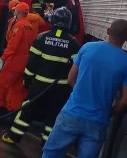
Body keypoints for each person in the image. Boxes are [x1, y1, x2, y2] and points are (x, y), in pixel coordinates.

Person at [42, 19, 127, 158]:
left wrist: (81, 93)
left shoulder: (88, 47)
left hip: (72, 113)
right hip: (98, 121)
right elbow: (124, 101)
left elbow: (71, 79)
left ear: (108, 31)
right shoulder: (125, 61)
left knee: (52, 153)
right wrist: (108, 112)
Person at [2, 7, 80, 148]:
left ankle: (13, 137)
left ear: (53, 20)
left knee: (27, 110)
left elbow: (33, 61)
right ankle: (47, 144)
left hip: (39, 85)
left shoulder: (42, 37)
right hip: (60, 89)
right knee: (53, 116)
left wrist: (27, 78)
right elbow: (76, 67)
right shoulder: (74, 43)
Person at [0, 2, 34, 112]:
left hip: (14, 61)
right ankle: (13, 111)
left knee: (0, 85)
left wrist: (2, 59)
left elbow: (13, 46)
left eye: (15, 10)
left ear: (19, 12)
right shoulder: (29, 26)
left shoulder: (19, 26)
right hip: (25, 62)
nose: (14, 11)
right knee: (17, 89)